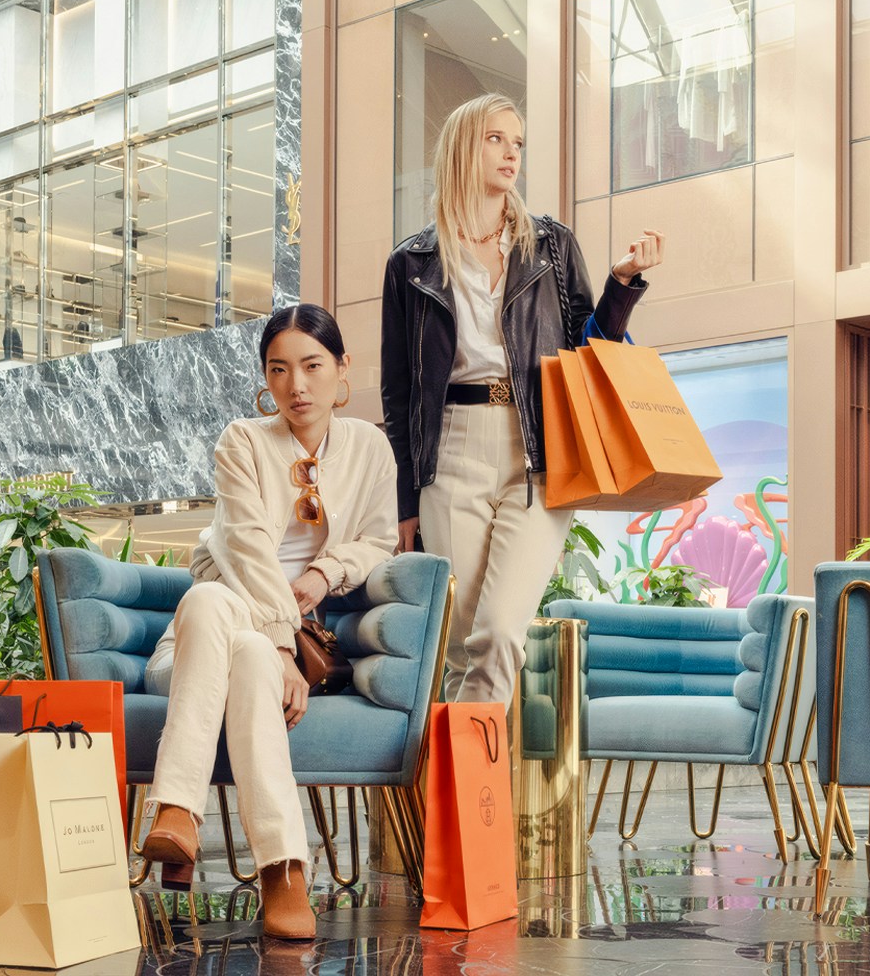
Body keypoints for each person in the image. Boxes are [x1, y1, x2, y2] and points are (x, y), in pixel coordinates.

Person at [380, 92, 664, 706]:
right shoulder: (411, 261)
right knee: (459, 648)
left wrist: (621, 286)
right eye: (496, 139)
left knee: (501, 632)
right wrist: (405, 502)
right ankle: (470, 796)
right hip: (450, 450)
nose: (512, 154)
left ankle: (471, 797)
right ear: (463, 144)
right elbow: (399, 397)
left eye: (518, 144)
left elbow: (595, 346)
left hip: (537, 447)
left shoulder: (551, 247)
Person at [139, 303, 398, 939]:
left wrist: (323, 575)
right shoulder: (243, 441)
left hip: (260, 651)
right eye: (278, 370)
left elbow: (379, 541)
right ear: (265, 378)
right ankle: (283, 870)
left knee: (250, 655)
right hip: (195, 650)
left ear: (342, 370)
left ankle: (178, 812)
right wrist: (282, 646)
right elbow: (247, 548)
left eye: (312, 366)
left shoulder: (370, 447)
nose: (296, 386)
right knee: (207, 601)